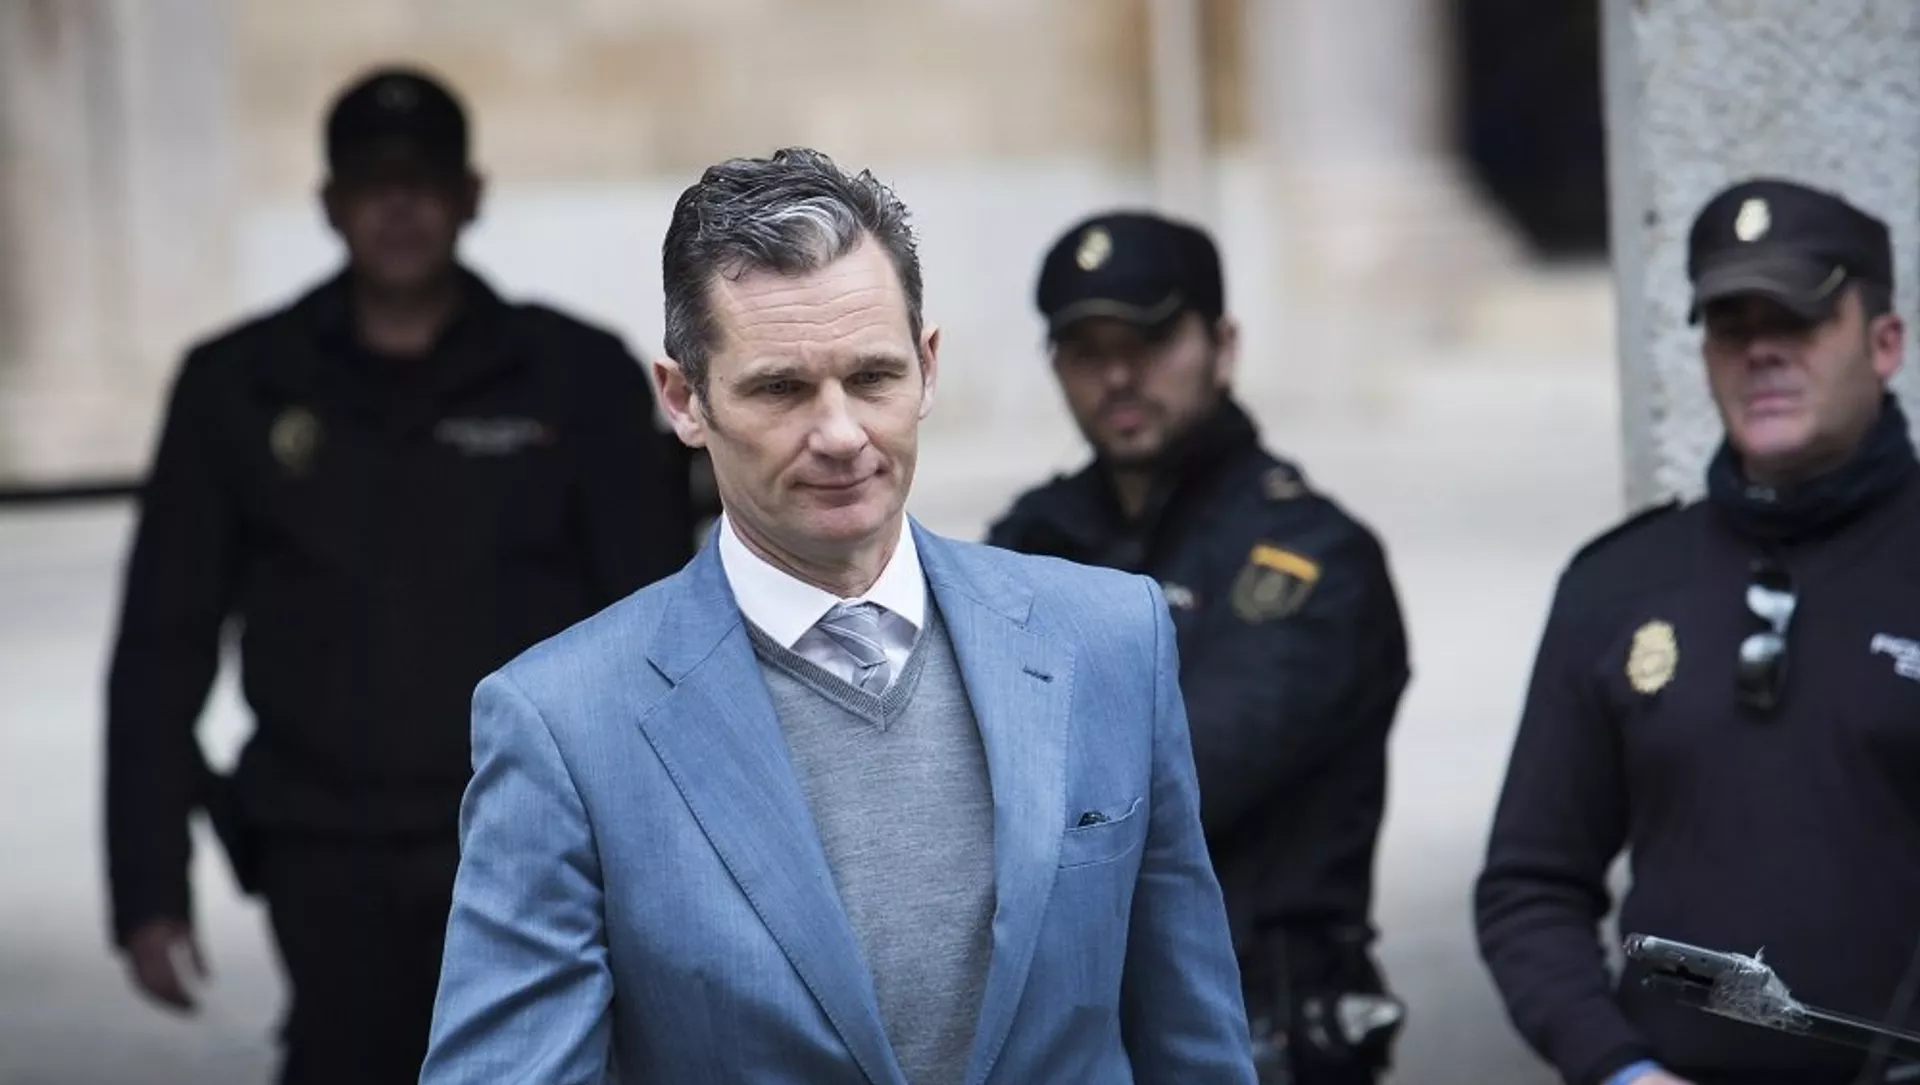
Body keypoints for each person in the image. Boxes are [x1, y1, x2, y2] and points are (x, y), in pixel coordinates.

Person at [419, 147, 1258, 1084]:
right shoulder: (563, 723)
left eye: (872, 377)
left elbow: (1193, 1042)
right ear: (685, 400)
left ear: (927, 368)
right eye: (780, 388)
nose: (840, 434)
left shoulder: (1109, 638)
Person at [102, 64, 696, 1084]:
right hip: (324, 849)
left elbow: (659, 631)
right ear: (330, 203)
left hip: (537, 835)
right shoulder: (238, 386)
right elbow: (163, 643)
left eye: (423, 180)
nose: (400, 207)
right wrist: (148, 885)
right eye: (374, 182)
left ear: (470, 195)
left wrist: (678, 860)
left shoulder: (576, 375)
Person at [1474, 177, 1920, 1085]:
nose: (1761, 352)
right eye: (1730, 325)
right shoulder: (1618, 583)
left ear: (1885, 343)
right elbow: (1530, 886)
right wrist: (1619, 1069)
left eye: (1795, 321)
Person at [984, 210, 1412, 1083]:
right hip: (1071, 1036)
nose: (1117, 375)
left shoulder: (1312, 558)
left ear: (1223, 345)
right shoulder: (1028, 539)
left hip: (1263, 1031)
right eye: (1086, 349)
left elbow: (1184, 777)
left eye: (1147, 341)